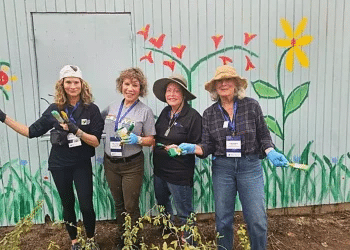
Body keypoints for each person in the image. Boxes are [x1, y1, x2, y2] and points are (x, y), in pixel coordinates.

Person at [178, 65, 288, 250]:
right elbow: (208, 145)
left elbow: (263, 133)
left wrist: (270, 151)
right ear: (214, 88)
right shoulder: (209, 113)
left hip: (250, 166)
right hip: (223, 168)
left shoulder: (251, 105)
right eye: (219, 81)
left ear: (236, 84)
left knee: (257, 220)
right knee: (223, 221)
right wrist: (193, 148)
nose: (223, 84)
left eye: (227, 80)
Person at [0, 65, 104, 250]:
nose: (73, 86)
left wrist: (76, 130)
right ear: (62, 85)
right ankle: (74, 242)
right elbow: (30, 131)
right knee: (68, 204)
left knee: (86, 205)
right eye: (68, 82)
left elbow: (95, 142)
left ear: (82, 84)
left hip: (81, 164)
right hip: (59, 165)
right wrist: (3, 117)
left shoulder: (91, 109)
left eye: (76, 82)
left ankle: (90, 239)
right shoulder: (54, 109)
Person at [101, 67, 156, 249]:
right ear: (120, 85)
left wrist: (138, 139)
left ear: (141, 88)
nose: (130, 88)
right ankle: (121, 238)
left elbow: (151, 140)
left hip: (132, 164)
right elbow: (95, 123)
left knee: (131, 205)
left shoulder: (145, 111)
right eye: (126, 84)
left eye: (135, 85)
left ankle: (134, 241)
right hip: (111, 163)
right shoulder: (111, 107)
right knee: (119, 204)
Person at [152, 75, 202, 243]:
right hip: (159, 170)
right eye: (169, 90)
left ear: (184, 95)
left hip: (179, 174)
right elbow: (157, 136)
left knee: (184, 211)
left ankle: (190, 243)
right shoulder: (165, 112)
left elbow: (199, 145)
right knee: (163, 205)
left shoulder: (193, 117)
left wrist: (181, 148)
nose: (171, 94)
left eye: (176, 91)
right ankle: (169, 237)